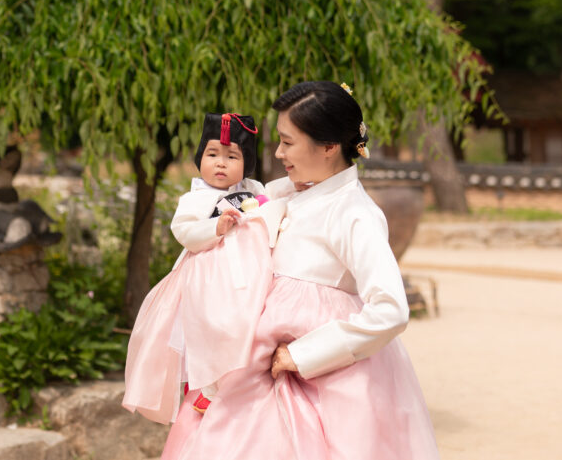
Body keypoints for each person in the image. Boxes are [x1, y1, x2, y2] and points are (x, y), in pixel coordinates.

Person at [161, 82, 439, 460]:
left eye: (288, 142)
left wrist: (304, 355)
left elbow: (391, 309)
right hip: (250, 370)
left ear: (328, 147)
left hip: (321, 384)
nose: (278, 152)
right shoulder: (285, 193)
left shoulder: (354, 214)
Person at [123, 112, 286, 423]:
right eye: (212, 154)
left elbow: (271, 210)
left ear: (246, 162)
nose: (220, 163)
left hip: (250, 272)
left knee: (251, 323)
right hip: (210, 276)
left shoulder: (255, 188)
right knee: (213, 325)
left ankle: (242, 379)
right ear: (200, 158)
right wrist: (216, 227)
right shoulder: (196, 198)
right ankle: (208, 386)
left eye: (231, 156)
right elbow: (183, 231)